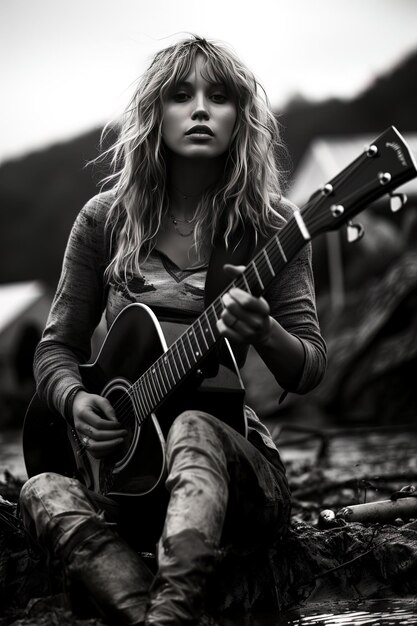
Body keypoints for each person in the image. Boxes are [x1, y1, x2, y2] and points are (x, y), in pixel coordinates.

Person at [19, 36, 326, 626]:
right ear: (154, 113)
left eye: (221, 96)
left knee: (192, 423)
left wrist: (263, 331)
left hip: (236, 480)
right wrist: (76, 397)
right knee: (42, 491)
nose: (202, 109)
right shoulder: (103, 219)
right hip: (133, 486)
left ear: (242, 118)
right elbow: (57, 346)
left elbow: (309, 364)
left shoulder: (273, 223)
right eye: (181, 95)